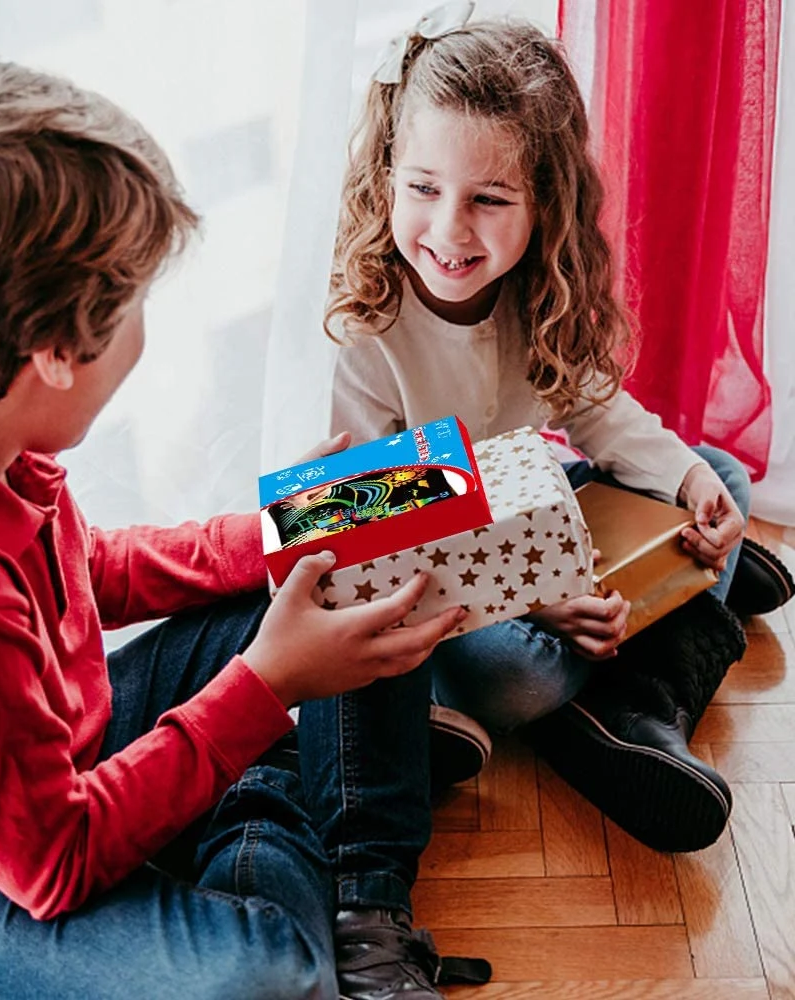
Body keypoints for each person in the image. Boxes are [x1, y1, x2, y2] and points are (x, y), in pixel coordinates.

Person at [0, 54, 491, 1000]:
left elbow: (90, 573)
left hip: (55, 751)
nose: (143, 329)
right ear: (52, 355)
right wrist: (265, 688)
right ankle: (275, 786)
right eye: (131, 308)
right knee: (268, 974)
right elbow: (53, 866)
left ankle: (360, 890)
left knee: (355, 546)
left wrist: (298, 519)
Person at [326, 6, 789, 853]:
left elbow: (593, 407)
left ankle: (643, 660)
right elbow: (375, 527)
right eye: (423, 189)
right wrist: (538, 589)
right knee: (521, 677)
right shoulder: (369, 322)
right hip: (451, 570)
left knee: (726, 473)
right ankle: (649, 671)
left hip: (534, 503)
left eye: (490, 199)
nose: (449, 230)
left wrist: (688, 482)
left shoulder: (538, 290)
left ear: (545, 202)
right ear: (388, 173)